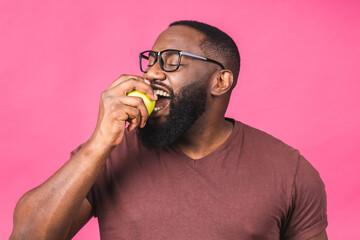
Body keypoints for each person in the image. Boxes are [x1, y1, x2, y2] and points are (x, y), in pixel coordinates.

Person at [10, 20, 328, 240]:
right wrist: (99, 143)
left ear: (221, 81)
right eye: (151, 61)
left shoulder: (289, 170)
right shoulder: (109, 154)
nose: (151, 73)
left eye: (171, 61)